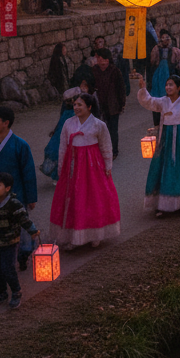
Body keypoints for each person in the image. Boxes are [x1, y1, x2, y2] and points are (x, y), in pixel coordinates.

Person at [48, 92, 121, 249]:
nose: (76, 107)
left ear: (89, 107)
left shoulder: (98, 125)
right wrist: (61, 168)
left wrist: (107, 166)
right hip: (73, 165)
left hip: (92, 166)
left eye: (80, 105)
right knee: (74, 199)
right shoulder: (68, 123)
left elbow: (106, 146)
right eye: (75, 105)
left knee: (93, 198)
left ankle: (96, 234)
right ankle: (73, 236)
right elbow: (62, 147)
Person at [134, 73, 180, 215]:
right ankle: (164, 203)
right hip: (166, 140)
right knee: (165, 169)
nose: (168, 87)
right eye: (167, 85)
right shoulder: (163, 102)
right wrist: (143, 89)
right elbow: (149, 102)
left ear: (178, 87)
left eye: (171, 85)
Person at [0, 106, 38, 269]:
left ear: (6, 123)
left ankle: (23, 255)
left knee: (20, 227)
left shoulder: (20, 145)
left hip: (16, 194)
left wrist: (31, 198)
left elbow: (28, 172)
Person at [0, 172, 42, 309]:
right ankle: (1, 292)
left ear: (7, 188)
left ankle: (16, 291)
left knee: (7, 268)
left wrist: (33, 232)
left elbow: (24, 219)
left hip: (9, 243)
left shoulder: (14, 204)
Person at [92, 47, 125, 159]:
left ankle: (113, 150)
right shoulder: (94, 71)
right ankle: (102, 149)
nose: (102, 62)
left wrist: (122, 103)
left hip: (113, 105)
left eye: (104, 60)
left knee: (112, 129)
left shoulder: (114, 71)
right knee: (100, 129)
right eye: (100, 59)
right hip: (99, 104)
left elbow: (121, 89)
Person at [148, 31, 179, 127]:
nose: (165, 39)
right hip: (159, 72)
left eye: (167, 37)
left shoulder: (173, 50)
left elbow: (176, 61)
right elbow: (152, 61)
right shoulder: (157, 49)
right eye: (163, 37)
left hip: (169, 71)